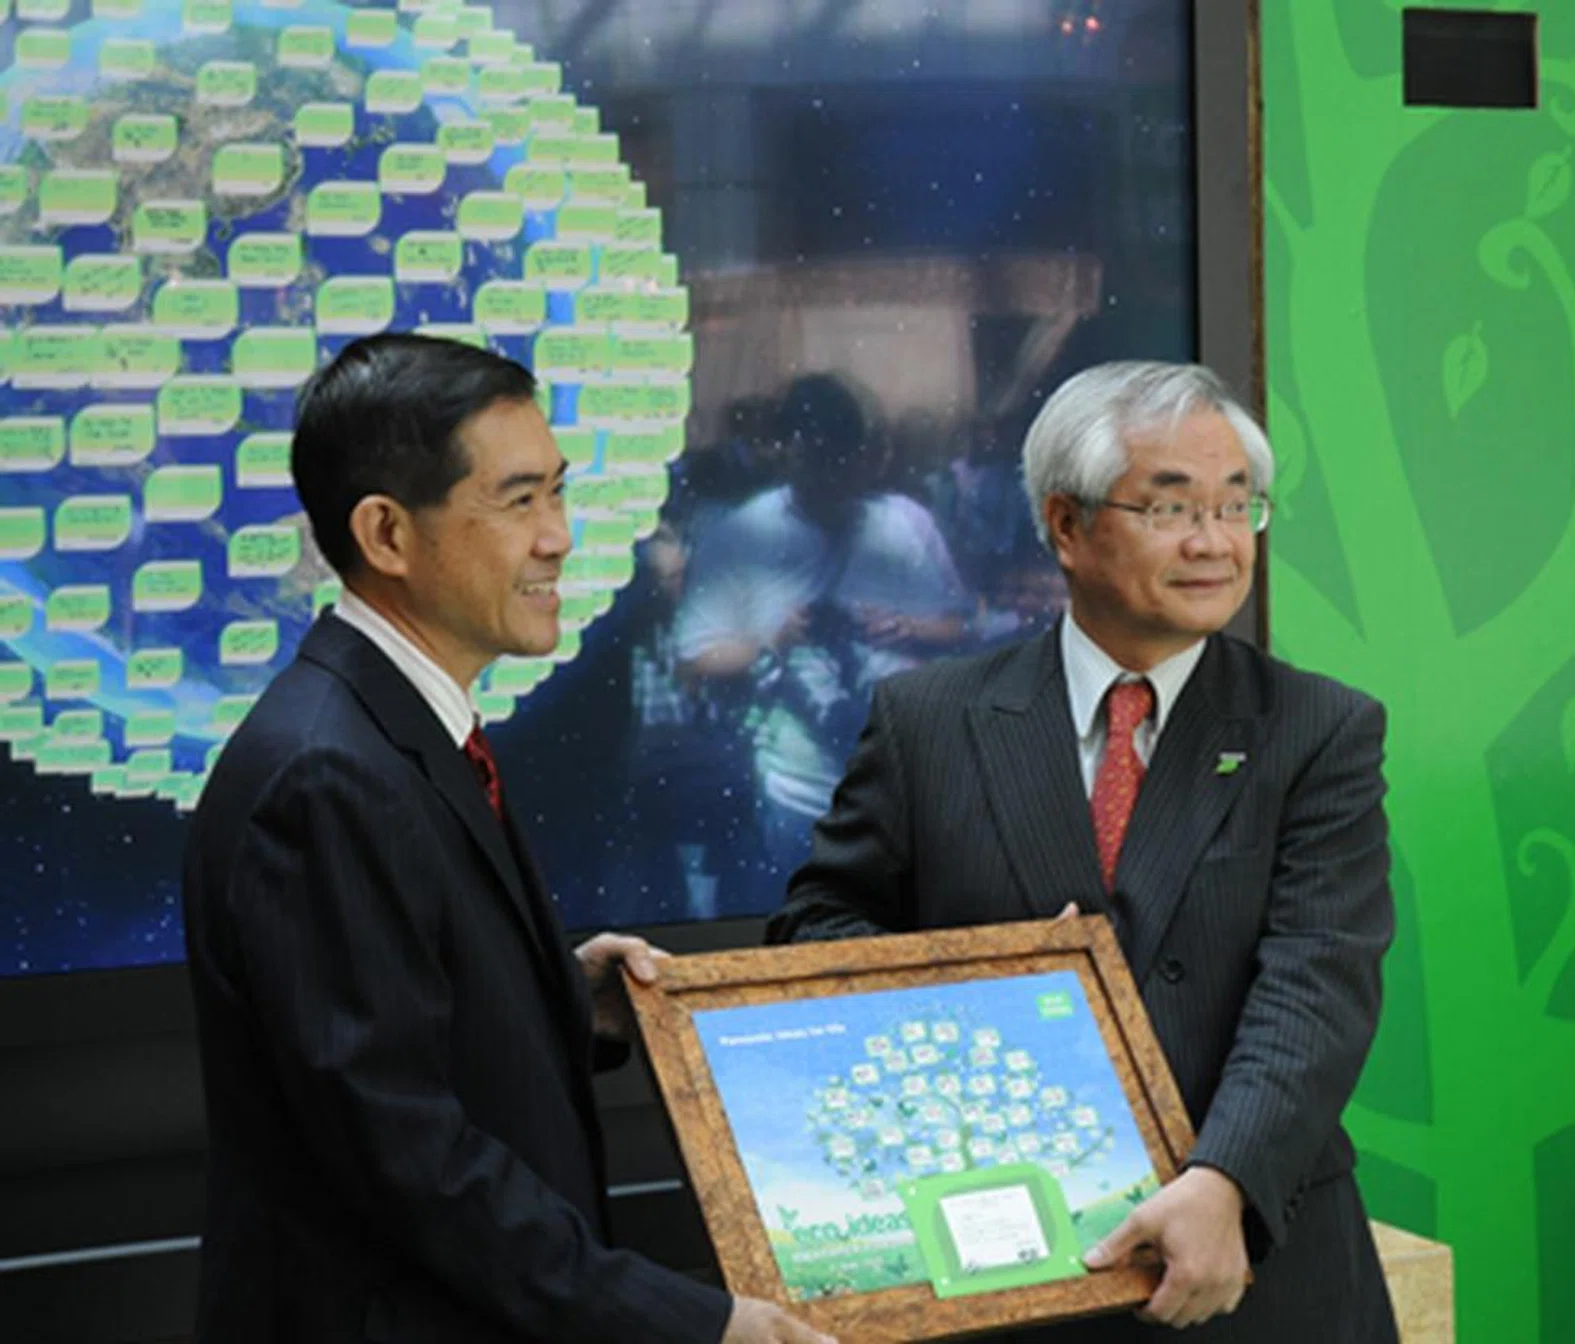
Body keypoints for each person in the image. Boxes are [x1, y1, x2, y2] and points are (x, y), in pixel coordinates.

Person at [182, 333, 833, 1344]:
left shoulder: (394, 726)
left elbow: (399, 1028)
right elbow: (409, 1160)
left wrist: (562, 1002)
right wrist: (690, 1323)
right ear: (387, 534)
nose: (560, 537)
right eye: (518, 501)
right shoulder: (327, 775)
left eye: (559, 493)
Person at [766, 361, 1397, 1342]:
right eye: (1171, 507)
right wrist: (977, 985)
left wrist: (1221, 1182)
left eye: (1239, 507)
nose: (1214, 543)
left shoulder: (1317, 730)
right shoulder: (929, 719)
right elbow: (820, 928)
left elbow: (1318, 984)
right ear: (1066, 525)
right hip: (1004, 1272)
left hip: (1256, 1264)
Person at [672, 373, 970, 879]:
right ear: (790, 452)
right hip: (799, 796)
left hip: (907, 795)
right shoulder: (741, 534)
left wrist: (909, 628)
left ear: (864, 456)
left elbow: (960, 629)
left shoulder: (905, 522)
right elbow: (693, 663)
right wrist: (773, 641)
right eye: (817, 457)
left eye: (842, 459)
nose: (831, 475)